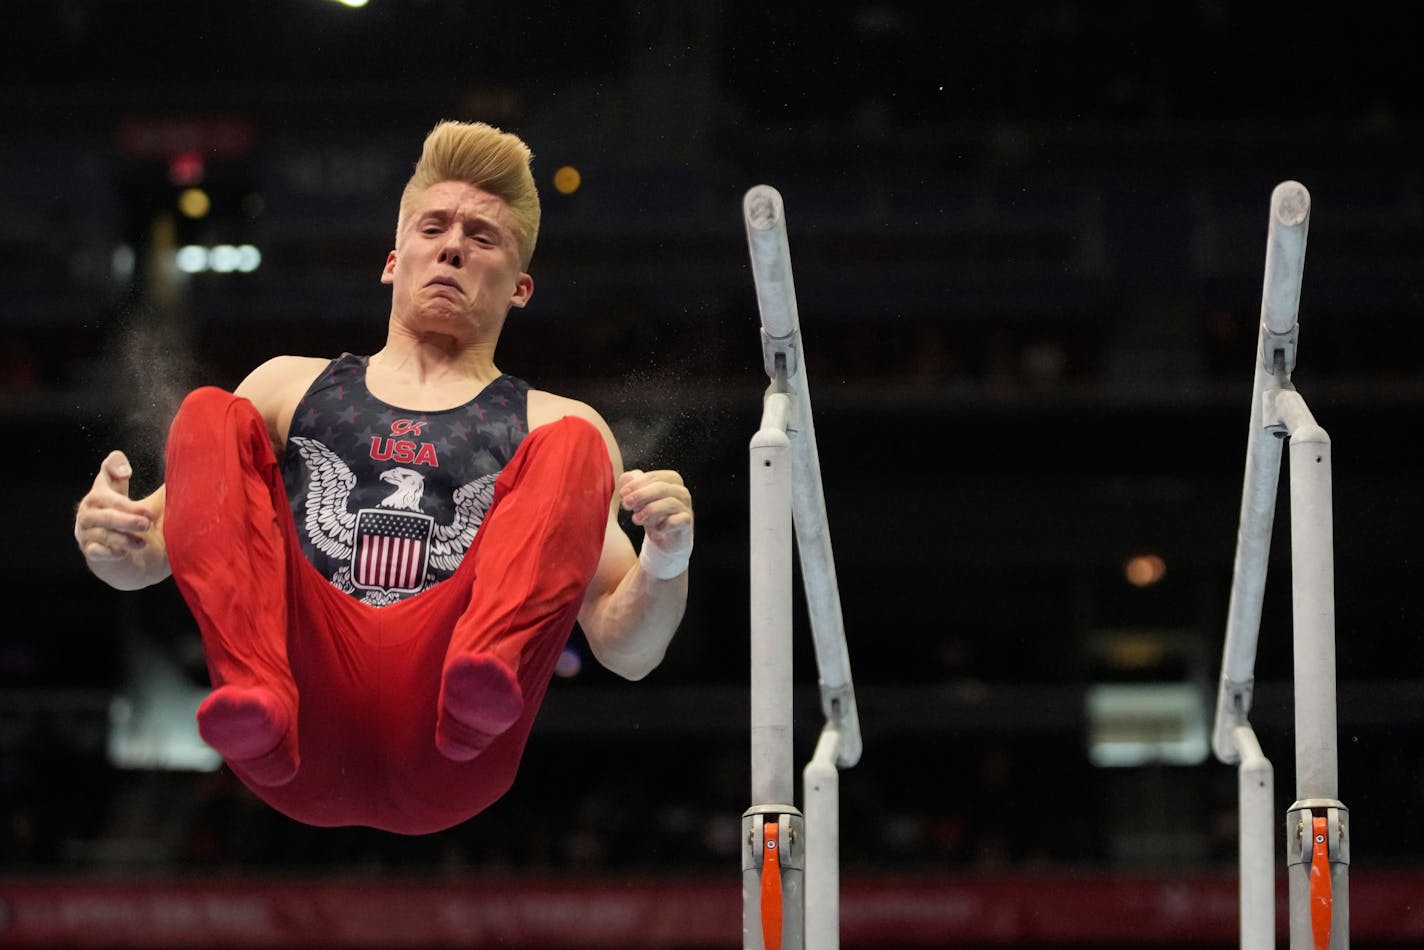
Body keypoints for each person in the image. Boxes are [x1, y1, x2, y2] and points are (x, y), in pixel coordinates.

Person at [72, 120, 694, 835]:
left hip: (452, 733)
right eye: (434, 227)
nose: (454, 246)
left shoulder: (550, 423)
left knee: (575, 441)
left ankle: (478, 681)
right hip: (296, 715)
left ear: (521, 287)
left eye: (482, 238)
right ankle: (254, 689)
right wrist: (106, 538)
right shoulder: (287, 388)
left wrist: (666, 557)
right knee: (209, 413)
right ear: (393, 260)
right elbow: (145, 557)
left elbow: (629, 650)